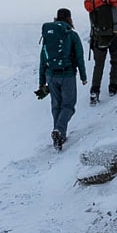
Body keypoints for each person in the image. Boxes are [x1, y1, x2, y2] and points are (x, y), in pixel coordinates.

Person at [37, 8, 87, 149]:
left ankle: (58, 136)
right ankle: (59, 130)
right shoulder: (71, 35)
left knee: (56, 106)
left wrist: (42, 82)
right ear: (69, 19)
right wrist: (83, 76)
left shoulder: (49, 35)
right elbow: (79, 56)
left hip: (51, 75)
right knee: (68, 106)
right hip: (67, 74)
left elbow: (43, 58)